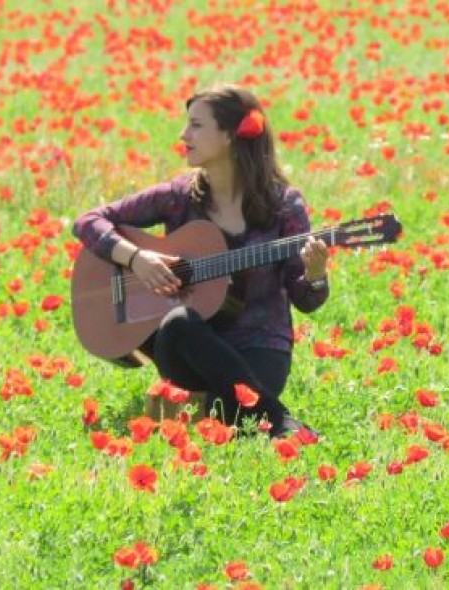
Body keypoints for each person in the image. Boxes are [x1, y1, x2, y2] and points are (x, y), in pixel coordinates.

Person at [72, 84, 329, 438]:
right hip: (184, 347)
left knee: (229, 412)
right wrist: (136, 258)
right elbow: (88, 221)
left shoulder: (283, 206)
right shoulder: (179, 197)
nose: (183, 134)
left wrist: (315, 275)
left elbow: (306, 300)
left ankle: (246, 413)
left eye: (196, 125)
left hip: (258, 344)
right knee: (179, 322)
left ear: (229, 136)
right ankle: (280, 421)